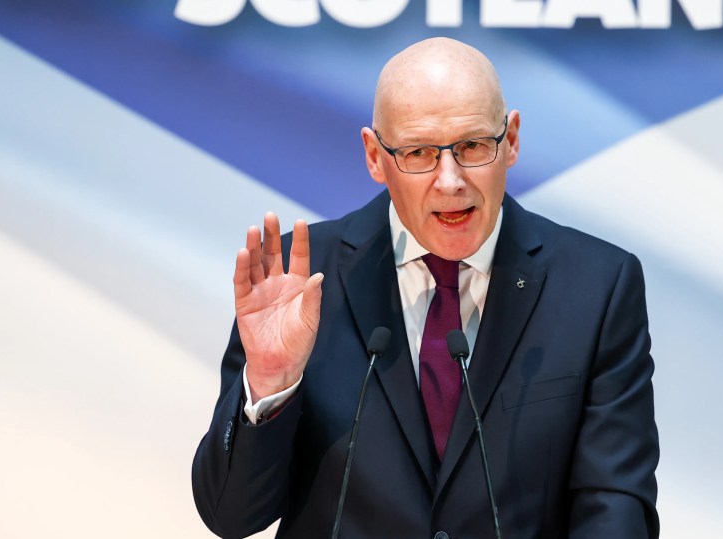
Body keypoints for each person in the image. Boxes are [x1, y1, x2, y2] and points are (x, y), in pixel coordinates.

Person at [192, 37, 659, 539]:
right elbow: (232, 516)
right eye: (418, 153)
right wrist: (271, 383)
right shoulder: (298, 281)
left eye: (473, 146)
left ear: (512, 141)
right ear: (375, 157)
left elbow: (615, 506)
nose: (451, 181)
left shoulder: (597, 286)